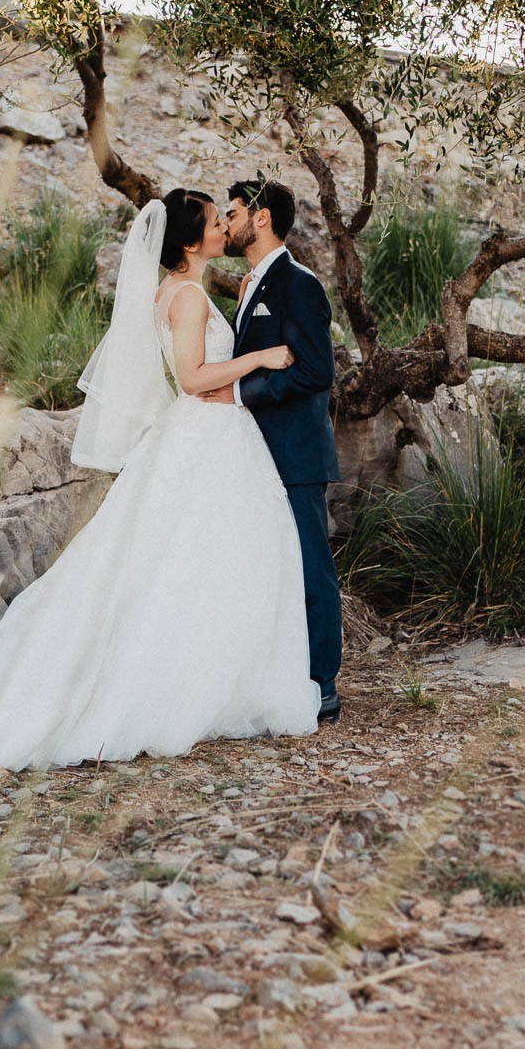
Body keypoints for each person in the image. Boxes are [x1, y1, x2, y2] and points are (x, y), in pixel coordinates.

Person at [0, 191, 320, 771]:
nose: (224, 229)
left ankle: (219, 671)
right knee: (201, 559)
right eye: (217, 222)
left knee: (198, 560)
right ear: (191, 243)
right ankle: (184, 683)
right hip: (206, 429)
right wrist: (259, 361)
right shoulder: (187, 297)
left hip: (211, 435)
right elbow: (191, 378)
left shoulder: (185, 290)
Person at [223, 180, 343, 723]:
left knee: (310, 568)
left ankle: (323, 685)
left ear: (262, 218)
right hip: (252, 458)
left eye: (232, 213)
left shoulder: (299, 285)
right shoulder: (250, 286)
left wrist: (245, 394)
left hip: (294, 455)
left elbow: (318, 371)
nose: (226, 224)